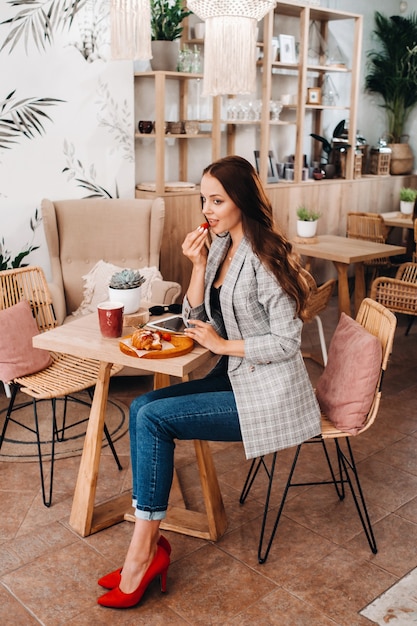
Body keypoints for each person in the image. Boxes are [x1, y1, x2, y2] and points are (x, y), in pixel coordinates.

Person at [97, 155, 321, 609]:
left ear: (242, 199)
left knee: (154, 419)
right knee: (143, 408)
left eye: (217, 200)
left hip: (267, 392)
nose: (208, 210)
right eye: (204, 200)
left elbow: (285, 341)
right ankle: (151, 546)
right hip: (235, 376)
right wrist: (197, 265)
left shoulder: (266, 256)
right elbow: (200, 317)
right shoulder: (221, 246)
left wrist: (221, 347)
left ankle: (141, 555)